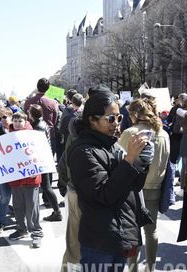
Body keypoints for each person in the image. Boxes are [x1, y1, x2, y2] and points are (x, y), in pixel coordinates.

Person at [68, 91, 154, 272]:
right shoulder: (83, 151)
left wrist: (141, 163)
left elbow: (133, 186)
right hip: (100, 240)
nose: (117, 124)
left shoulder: (112, 144)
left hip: (119, 233)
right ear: (92, 120)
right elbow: (104, 194)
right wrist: (130, 158)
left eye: (119, 117)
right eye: (110, 119)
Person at [119, 98, 170, 272]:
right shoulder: (163, 133)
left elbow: (118, 160)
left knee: (133, 232)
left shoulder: (130, 132)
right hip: (156, 187)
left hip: (133, 189)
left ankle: (132, 269)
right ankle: (150, 268)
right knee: (151, 230)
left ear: (134, 114)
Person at [7, 112, 43, 248]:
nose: (17, 123)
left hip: (31, 178)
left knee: (32, 208)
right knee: (18, 207)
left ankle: (36, 233)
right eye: (15, 121)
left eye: (20, 121)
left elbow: (41, 154)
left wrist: (37, 170)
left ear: (25, 122)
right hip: (15, 179)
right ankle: (21, 229)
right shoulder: (7, 137)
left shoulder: (33, 136)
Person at [28, 104, 62, 222]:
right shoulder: (42, 123)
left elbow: (36, 145)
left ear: (31, 114)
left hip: (41, 159)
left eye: (29, 112)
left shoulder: (38, 127)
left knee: (46, 187)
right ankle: (56, 211)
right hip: (45, 158)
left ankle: (57, 212)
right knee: (45, 186)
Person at [24, 78, 59, 164]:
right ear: (48, 88)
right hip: (49, 136)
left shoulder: (28, 102)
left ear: (37, 87)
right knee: (48, 163)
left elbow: (25, 119)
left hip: (31, 136)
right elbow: (55, 120)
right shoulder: (53, 103)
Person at [0, 108, 14, 233]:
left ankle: (20, 220)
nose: (3, 120)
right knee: (5, 197)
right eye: (0, 117)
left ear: (11, 117)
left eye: (5, 117)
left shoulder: (17, 131)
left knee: (18, 197)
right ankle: (1, 222)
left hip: (18, 170)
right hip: (3, 171)